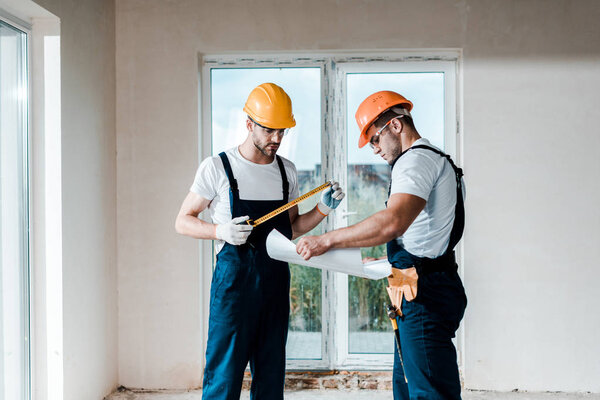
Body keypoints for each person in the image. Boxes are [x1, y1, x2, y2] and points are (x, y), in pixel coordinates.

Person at [175, 82, 344, 400]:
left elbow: (291, 229)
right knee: (224, 378)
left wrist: (322, 209)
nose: (277, 139)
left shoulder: (286, 172)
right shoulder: (218, 168)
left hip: (274, 286)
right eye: (269, 130)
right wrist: (219, 231)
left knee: (270, 376)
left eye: (282, 131)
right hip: (233, 290)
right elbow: (182, 221)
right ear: (249, 124)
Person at [296, 90, 467, 399]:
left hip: (424, 293)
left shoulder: (414, 161)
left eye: (374, 138)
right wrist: (385, 261)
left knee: (428, 392)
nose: (373, 149)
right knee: (407, 385)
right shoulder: (436, 159)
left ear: (396, 126)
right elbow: (425, 237)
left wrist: (326, 240)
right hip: (416, 284)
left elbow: (392, 222)